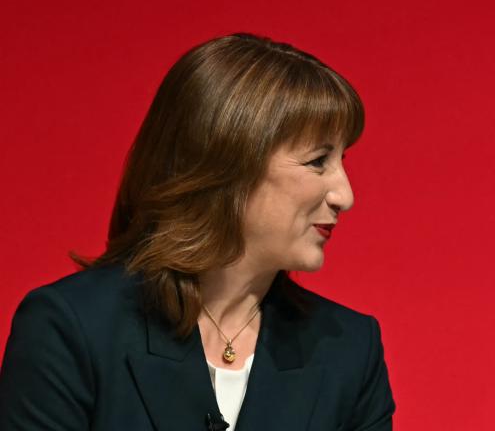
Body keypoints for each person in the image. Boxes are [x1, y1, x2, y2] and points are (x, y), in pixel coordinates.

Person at [0, 33, 394, 430]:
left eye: (341, 159)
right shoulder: (70, 330)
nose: (345, 195)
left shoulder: (350, 349)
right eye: (317, 161)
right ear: (224, 162)